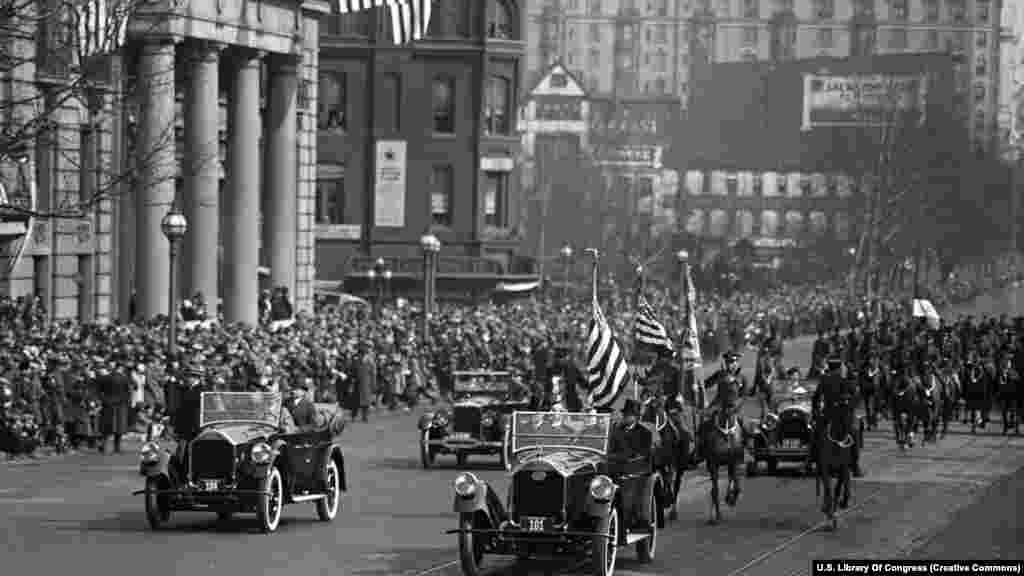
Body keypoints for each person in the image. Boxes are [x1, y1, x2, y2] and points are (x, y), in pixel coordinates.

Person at [607, 399, 655, 529]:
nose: (627, 417)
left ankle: (628, 518)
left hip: (635, 470)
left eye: (630, 414)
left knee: (623, 481)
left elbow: (642, 454)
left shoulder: (645, 433)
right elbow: (609, 447)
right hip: (614, 467)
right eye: (626, 414)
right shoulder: (615, 430)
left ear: (636, 417)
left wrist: (625, 458)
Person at [812, 357, 863, 477]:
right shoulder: (844, 380)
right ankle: (855, 466)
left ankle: (810, 460)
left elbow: (816, 398)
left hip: (827, 415)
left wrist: (816, 412)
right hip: (842, 416)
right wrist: (850, 407)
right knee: (854, 434)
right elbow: (855, 396)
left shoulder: (823, 379)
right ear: (839, 368)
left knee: (815, 434)